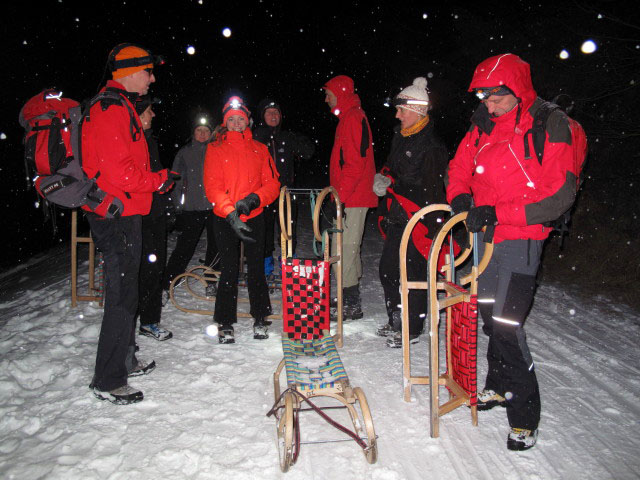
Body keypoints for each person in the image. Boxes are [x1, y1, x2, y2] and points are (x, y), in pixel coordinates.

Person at [447, 53, 578, 450]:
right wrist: (460, 199)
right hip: (486, 236)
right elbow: (458, 167)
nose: (489, 105)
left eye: (497, 98)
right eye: (484, 97)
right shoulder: (482, 122)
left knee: (507, 325)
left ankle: (525, 415)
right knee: (488, 313)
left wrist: (498, 213)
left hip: (522, 238)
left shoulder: (548, 123)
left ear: (517, 90)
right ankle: (497, 385)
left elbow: (559, 196)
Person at [82, 43, 177, 405]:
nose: (152, 78)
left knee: (128, 292)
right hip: (116, 213)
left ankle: (124, 360)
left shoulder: (120, 106)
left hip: (126, 212)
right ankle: (107, 380)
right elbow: (119, 172)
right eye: (148, 71)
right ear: (129, 71)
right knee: (122, 297)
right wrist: (157, 179)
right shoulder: (109, 108)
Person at [374, 77, 449, 348]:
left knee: (414, 275)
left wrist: (434, 228)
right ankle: (397, 319)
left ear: (417, 111)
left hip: (420, 220)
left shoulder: (432, 147)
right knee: (388, 270)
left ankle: (412, 328)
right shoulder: (401, 135)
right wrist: (382, 177)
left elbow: (432, 192)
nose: (397, 115)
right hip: (398, 215)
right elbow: (392, 167)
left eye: (401, 110)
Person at [203, 96, 280, 343]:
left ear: (247, 121)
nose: (237, 124)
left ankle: (260, 316)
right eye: (232, 120)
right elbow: (212, 186)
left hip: (254, 216)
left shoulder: (260, 149)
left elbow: (272, 184)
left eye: (241, 120)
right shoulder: (215, 148)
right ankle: (225, 321)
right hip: (225, 218)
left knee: (256, 268)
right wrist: (230, 212)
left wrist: (254, 199)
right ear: (226, 123)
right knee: (229, 269)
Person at [322, 75, 377, 319]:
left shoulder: (354, 118)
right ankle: (348, 300)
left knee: (343, 249)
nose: (326, 98)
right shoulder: (349, 117)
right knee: (346, 248)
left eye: (329, 94)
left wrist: (340, 197)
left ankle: (348, 302)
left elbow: (354, 164)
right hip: (349, 196)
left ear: (340, 93)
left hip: (352, 197)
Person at [253, 98, 315, 273]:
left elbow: (308, 152)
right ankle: (265, 267)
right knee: (263, 231)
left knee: (288, 229)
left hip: (286, 192)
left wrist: (298, 139)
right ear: (262, 116)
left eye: (276, 112)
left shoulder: (286, 136)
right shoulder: (256, 136)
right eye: (269, 112)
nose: (273, 115)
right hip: (263, 192)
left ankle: (287, 264)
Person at [163, 114, 219, 295]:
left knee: (215, 244)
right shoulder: (185, 152)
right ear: (193, 133)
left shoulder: (217, 150)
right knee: (185, 245)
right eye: (199, 130)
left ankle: (211, 280)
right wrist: (176, 204)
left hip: (214, 207)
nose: (202, 134)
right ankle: (169, 279)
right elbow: (175, 180)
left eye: (206, 131)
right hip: (191, 208)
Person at [135, 95, 173, 341]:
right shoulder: (132, 141)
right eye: (149, 111)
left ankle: (149, 321)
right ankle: (140, 321)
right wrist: (159, 181)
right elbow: (135, 178)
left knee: (154, 268)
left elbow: (150, 175)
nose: (153, 115)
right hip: (137, 215)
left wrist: (163, 181)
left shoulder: (150, 140)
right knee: (143, 270)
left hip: (154, 212)